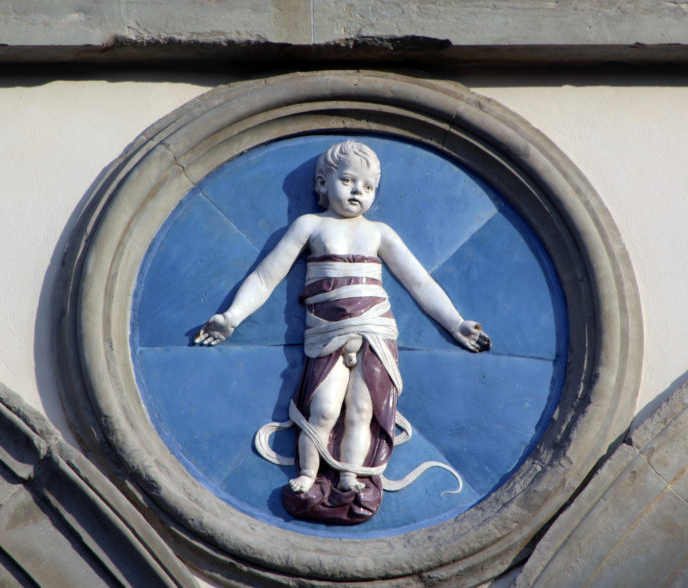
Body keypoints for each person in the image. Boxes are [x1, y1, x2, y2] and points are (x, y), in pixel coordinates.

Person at [195, 140, 490, 523]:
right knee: (324, 408)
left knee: (362, 411)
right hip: (326, 334)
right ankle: (307, 474)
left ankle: (350, 475)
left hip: (375, 331)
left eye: (367, 187)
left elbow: (419, 282)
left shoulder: (379, 233)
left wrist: (456, 323)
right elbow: (267, 276)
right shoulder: (310, 226)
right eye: (348, 180)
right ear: (322, 183)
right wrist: (231, 316)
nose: (357, 192)